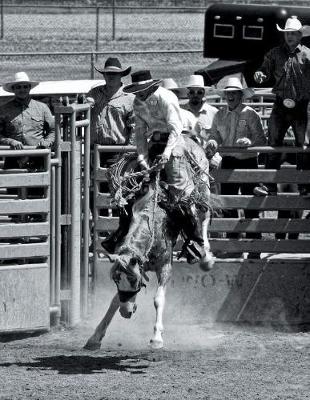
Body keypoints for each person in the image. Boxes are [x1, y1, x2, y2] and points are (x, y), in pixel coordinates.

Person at [121, 69, 214, 271]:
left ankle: (196, 241)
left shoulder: (166, 97)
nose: (138, 94)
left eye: (140, 89)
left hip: (175, 144)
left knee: (180, 194)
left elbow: (175, 128)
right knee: (133, 188)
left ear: (149, 87)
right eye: (136, 90)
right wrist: (142, 158)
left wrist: (166, 153)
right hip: (154, 143)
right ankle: (123, 235)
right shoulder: (138, 103)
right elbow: (139, 133)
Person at [207, 76, 267, 259]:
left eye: (234, 93)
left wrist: (250, 142)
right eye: (228, 93)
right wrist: (212, 141)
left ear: (241, 95)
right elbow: (214, 135)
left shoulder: (250, 114)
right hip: (229, 162)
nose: (230, 96)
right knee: (229, 205)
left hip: (248, 161)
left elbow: (261, 140)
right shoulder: (220, 115)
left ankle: (254, 248)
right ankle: (234, 246)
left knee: (251, 205)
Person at [253, 16, 310, 196]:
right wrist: (260, 75)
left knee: (303, 146)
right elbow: (264, 69)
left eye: (293, 33)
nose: (290, 37)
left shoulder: (308, 55)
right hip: (280, 105)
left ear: (300, 35)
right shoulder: (274, 54)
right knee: (273, 144)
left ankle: (304, 185)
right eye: (287, 33)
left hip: (301, 105)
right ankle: (269, 185)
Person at [86, 57, 135, 252]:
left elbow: (134, 128)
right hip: (96, 150)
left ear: (121, 75)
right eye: (108, 73)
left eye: (114, 73)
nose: (111, 76)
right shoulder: (95, 93)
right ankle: (99, 234)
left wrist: (129, 154)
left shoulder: (129, 98)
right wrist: (85, 103)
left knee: (119, 194)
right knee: (94, 193)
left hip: (118, 151)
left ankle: (119, 234)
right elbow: (85, 104)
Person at [181, 74, 218, 148]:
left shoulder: (214, 112)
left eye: (199, 92)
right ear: (187, 94)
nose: (195, 95)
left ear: (204, 94)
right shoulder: (180, 112)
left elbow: (220, 136)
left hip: (207, 155)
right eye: (192, 92)